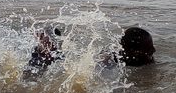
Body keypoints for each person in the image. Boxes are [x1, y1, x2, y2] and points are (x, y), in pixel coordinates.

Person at [25, 25, 155, 76]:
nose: (154, 50)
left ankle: (49, 42)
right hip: (74, 63)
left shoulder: (145, 59)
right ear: (132, 51)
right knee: (48, 59)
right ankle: (46, 45)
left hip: (81, 58)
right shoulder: (110, 60)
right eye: (148, 48)